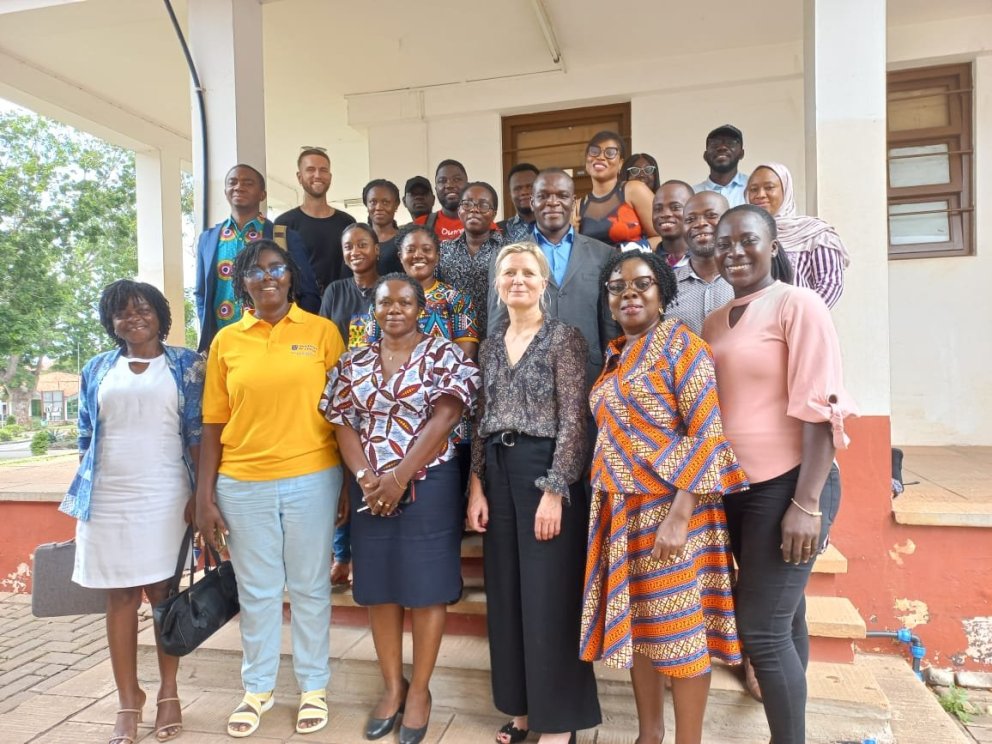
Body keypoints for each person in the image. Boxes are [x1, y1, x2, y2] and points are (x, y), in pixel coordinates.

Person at [579, 251, 748, 744]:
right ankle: (648, 736)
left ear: (664, 293)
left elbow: (708, 435)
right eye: (617, 287)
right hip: (621, 510)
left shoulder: (683, 347)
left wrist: (679, 515)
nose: (628, 293)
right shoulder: (616, 355)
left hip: (673, 510)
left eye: (642, 283)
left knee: (681, 630)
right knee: (643, 628)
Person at [703, 205, 856, 744]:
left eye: (747, 240)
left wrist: (807, 503)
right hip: (735, 489)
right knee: (784, 617)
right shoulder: (717, 319)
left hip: (790, 484)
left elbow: (820, 407)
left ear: (772, 246)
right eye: (723, 243)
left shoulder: (798, 304)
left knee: (761, 632)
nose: (734, 252)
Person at [196, 240, 346, 738]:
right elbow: (214, 424)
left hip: (313, 477)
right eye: (256, 271)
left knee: (308, 588)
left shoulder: (322, 333)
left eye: (276, 268)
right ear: (242, 282)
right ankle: (257, 689)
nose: (267, 277)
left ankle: (313, 688)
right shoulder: (226, 341)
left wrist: (347, 481)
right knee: (256, 592)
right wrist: (205, 498)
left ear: (290, 276)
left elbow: (344, 414)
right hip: (242, 483)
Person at [321, 274, 479, 744]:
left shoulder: (443, 354)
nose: (394, 309)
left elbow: (447, 415)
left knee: (427, 589)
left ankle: (420, 692)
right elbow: (342, 421)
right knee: (379, 589)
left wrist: (399, 476)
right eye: (385, 302)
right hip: (371, 487)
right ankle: (393, 687)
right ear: (373, 308)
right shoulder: (354, 361)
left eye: (405, 302)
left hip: (429, 483)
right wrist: (369, 480)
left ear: (419, 307)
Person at [468, 242, 601, 744]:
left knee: (548, 596)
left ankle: (558, 721)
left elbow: (574, 420)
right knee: (507, 595)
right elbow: (481, 417)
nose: (517, 280)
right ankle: (522, 709)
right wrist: (476, 485)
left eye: (527, 272)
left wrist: (555, 488)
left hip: (542, 469)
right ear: (498, 285)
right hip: (498, 470)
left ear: (544, 283)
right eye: (508, 273)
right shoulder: (491, 340)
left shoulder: (563, 337)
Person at [60, 280, 203, 744]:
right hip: (108, 495)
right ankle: (128, 699)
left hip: (165, 493)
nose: (134, 318)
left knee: (164, 595)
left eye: (144, 309)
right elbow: (86, 435)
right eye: (122, 312)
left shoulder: (187, 365)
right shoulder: (96, 368)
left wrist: (201, 496)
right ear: (111, 322)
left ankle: (168, 692)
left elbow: (200, 435)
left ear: (162, 315)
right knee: (119, 597)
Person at [488, 169, 617, 389]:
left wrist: (611, 372)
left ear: (574, 201)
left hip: (589, 374)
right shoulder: (508, 257)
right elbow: (498, 319)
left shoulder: (604, 254)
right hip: (526, 378)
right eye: (544, 195)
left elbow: (609, 325)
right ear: (532, 201)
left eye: (562, 195)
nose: (553, 202)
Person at [194, 164, 320, 352]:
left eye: (248, 183)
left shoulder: (284, 237)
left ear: (262, 195)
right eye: (233, 182)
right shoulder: (208, 238)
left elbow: (308, 292)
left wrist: (297, 335)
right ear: (226, 191)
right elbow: (202, 294)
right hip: (224, 345)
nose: (239, 187)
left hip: (274, 343)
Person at [318, 223, 383, 586]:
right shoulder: (335, 291)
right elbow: (327, 338)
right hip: (344, 391)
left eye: (362, 244)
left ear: (376, 249)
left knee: (372, 470)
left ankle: (366, 556)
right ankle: (342, 555)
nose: (355, 251)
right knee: (346, 473)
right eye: (348, 246)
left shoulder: (390, 286)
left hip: (382, 392)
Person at [745, 162, 850, 308]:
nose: (760, 195)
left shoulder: (814, 233)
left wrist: (799, 317)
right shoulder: (743, 236)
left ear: (786, 190)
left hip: (802, 324)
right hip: (755, 325)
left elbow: (830, 284)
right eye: (753, 189)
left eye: (769, 187)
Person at [275, 147, 357, 292]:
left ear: (330, 177)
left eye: (323, 170)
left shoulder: (347, 223)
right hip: (300, 308)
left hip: (339, 306)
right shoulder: (284, 224)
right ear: (299, 177)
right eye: (310, 169)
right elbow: (278, 270)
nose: (317, 175)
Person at [438, 181, 505, 339]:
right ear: (459, 210)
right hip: (454, 340)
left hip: (496, 338)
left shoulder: (507, 251)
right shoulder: (443, 250)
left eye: (483, 205)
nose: (474, 209)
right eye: (467, 204)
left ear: (494, 213)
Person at [665, 191, 734, 334]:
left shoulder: (747, 280)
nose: (700, 223)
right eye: (690, 219)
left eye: (711, 216)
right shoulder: (667, 285)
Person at [577, 131, 659, 251]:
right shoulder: (578, 206)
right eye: (594, 152)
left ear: (620, 163)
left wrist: (625, 250)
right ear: (586, 161)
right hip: (594, 270)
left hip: (633, 266)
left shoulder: (634, 190)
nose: (600, 157)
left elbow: (662, 237)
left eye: (610, 153)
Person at [693, 125, 749, 207]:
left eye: (730, 143)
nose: (722, 147)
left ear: (741, 153)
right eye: (714, 144)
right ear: (705, 155)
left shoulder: (753, 188)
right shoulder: (693, 194)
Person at [416, 160, 469, 241]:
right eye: (442, 181)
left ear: (467, 185)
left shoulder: (484, 225)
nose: (449, 185)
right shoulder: (419, 225)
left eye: (457, 179)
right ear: (436, 189)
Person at [363, 179, 404, 274]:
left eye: (385, 202)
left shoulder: (405, 240)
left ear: (396, 205)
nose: (378, 208)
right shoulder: (357, 240)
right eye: (373, 202)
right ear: (366, 204)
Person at [652, 180, 695, 267]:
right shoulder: (647, 264)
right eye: (658, 209)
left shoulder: (710, 260)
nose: (665, 214)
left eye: (675, 207)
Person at [497, 162, 539, 242]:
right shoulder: (498, 231)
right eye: (517, 188)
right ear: (510, 194)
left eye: (530, 186)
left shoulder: (556, 227)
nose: (524, 192)